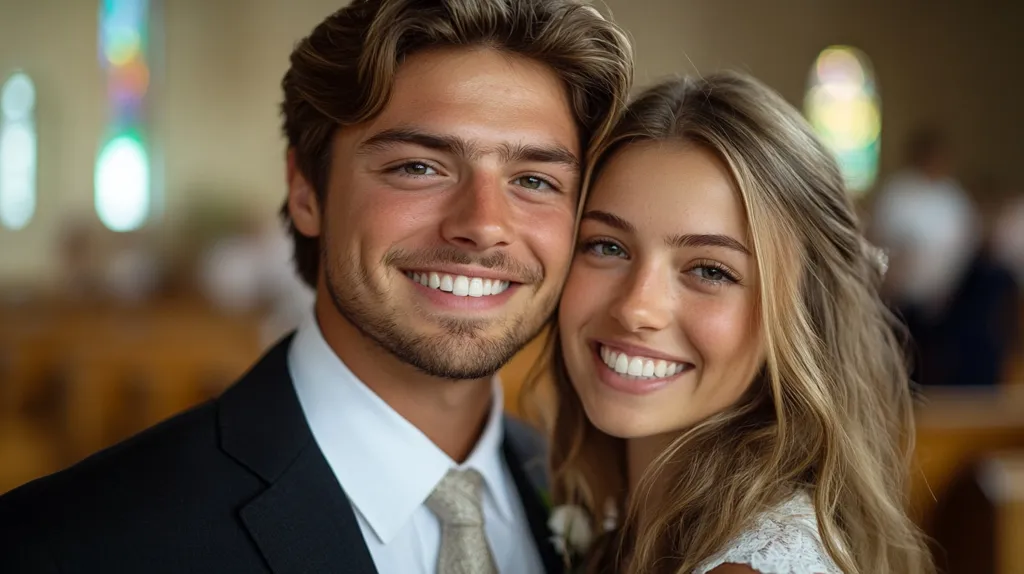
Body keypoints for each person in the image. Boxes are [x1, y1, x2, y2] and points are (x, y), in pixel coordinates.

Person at [0, 1, 633, 572]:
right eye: (419, 167)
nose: (484, 225)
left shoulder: (609, 506)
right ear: (306, 190)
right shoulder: (68, 544)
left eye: (535, 181)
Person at [536, 73, 933, 573]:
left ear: (801, 312)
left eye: (710, 271)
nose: (636, 308)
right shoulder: (619, 518)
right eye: (607, 246)